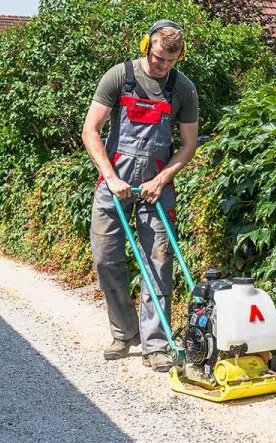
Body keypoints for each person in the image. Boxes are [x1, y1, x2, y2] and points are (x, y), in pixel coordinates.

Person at [81, 20, 200, 372]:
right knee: (106, 259)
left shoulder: (183, 88)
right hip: (114, 182)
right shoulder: (120, 77)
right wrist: (110, 177)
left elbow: (189, 144)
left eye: (170, 61)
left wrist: (162, 179)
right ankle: (124, 332)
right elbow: (91, 130)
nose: (162, 65)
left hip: (156, 188)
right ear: (146, 46)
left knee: (159, 262)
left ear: (179, 57)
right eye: (158, 57)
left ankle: (156, 344)